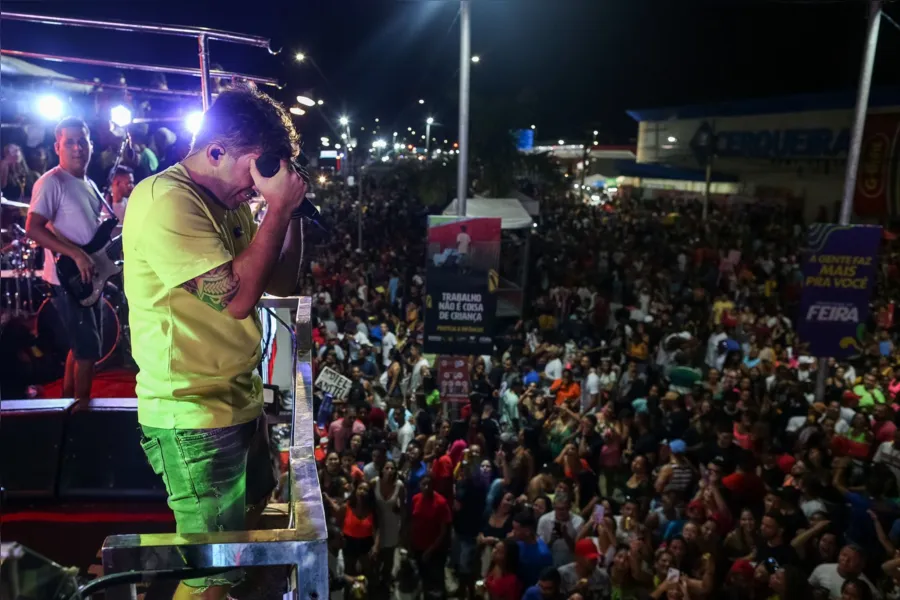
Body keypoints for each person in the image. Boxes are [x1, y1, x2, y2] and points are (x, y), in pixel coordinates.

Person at [123, 87, 307, 600]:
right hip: (192, 415)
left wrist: (288, 212)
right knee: (212, 576)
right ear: (217, 151)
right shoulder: (167, 200)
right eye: (255, 167)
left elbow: (281, 282)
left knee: (238, 554)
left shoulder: (229, 203)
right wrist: (274, 207)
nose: (257, 184)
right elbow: (238, 299)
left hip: (234, 400)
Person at [26, 117, 107, 407]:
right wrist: (75, 254)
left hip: (88, 278)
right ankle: (81, 417)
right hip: (68, 278)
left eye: (82, 141)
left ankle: (67, 404)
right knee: (88, 350)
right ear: (57, 146)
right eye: (69, 142)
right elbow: (33, 227)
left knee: (81, 345)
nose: (77, 147)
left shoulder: (89, 183)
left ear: (91, 145)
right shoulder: (52, 182)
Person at [409, 474, 452, 597]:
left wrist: (430, 550)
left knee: (436, 579)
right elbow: (412, 521)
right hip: (418, 546)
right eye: (424, 484)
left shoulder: (441, 502)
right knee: (423, 575)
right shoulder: (415, 499)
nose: (426, 487)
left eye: (429, 484)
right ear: (419, 485)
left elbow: (443, 531)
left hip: (435, 549)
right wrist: (410, 541)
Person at [513, 510, 554, 588]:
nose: (513, 532)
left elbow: (546, 580)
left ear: (527, 531)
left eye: (516, 529)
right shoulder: (517, 542)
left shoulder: (543, 554)